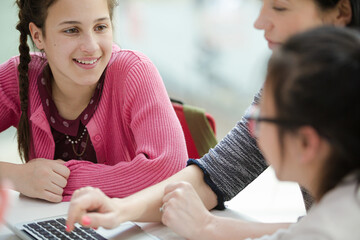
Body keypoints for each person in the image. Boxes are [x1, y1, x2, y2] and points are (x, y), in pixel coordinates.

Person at [66, 0, 359, 235]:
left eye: (280, 7)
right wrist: (120, 209)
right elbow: (219, 172)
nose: (259, 22)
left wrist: (211, 228)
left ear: (340, 12)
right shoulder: (290, 78)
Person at [0, 0, 188, 203]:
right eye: (72, 30)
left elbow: (170, 170)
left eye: (100, 27)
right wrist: (17, 176)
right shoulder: (20, 76)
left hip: (129, 230)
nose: (91, 46)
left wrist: (57, 181)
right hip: (48, 226)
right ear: (38, 36)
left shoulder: (134, 72)